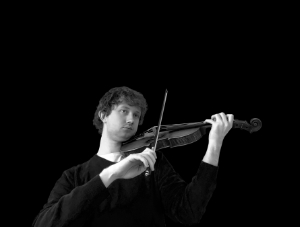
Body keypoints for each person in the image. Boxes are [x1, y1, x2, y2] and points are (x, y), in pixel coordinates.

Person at [32, 86, 234, 227]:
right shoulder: (74, 175)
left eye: (136, 115)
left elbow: (189, 212)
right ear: (103, 115)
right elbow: (45, 223)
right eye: (124, 111)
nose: (131, 119)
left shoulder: (151, 160)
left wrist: (215, 144)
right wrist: (110, 174)